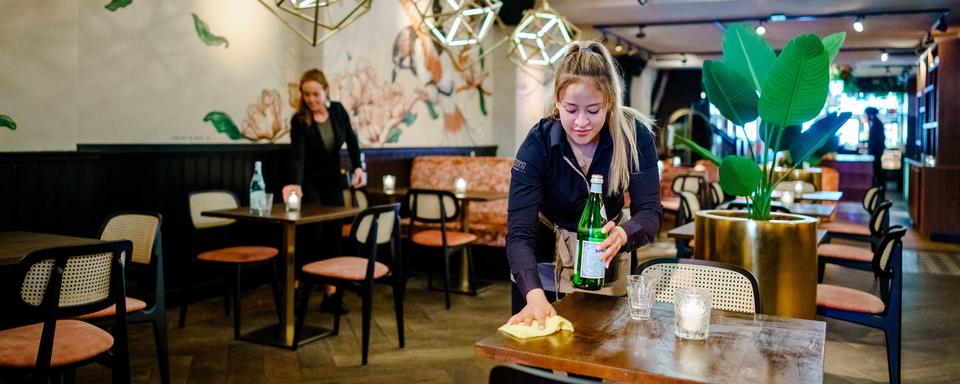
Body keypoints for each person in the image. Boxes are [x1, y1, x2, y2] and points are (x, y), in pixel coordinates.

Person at [505, 41, 663, 328]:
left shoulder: (634, 137)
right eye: (570, 109)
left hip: (602, 261)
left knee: (591, 359)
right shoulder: (538, 143)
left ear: (610, 103)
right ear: (557, 101)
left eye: (593, 110)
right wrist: (534, 294)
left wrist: (624, 234)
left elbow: (650, 213)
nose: (581, 122)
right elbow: (519, 234)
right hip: (541, 261)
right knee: (536, 359)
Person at [283, 68, 364, 313]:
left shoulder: (338, 111)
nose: (311, 99)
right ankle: (296, 288)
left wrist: (358, 167)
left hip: (332, 182)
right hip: (309, 183)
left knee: (333, 233)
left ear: (325, 90)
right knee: (312, 234)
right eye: (306, 94)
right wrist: (295, 183)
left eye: (315, 94)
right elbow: (297, 156)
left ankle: (331, 293)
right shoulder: (299, 120)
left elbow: (351, 140)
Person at [865, 107, 885, 188]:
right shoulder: (876, 122)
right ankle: (878, 189)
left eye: (866, 114)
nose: (866, 116)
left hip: (876, 151)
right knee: (877, 170)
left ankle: (879, 189)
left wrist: (870, 145)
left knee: (877, 170)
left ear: (870, 114)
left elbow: (877, 139)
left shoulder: (876, 123)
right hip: (877, 151)